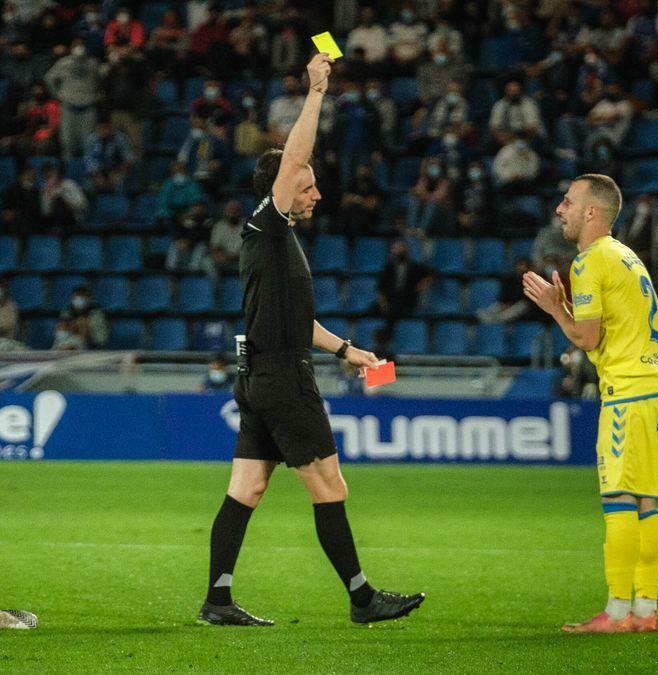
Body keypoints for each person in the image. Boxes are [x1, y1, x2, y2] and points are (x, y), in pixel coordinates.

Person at [199, 54, 424, 629]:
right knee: (331, 486)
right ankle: (362, 598)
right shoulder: (268, 224)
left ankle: (218, 599)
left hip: (259, 378)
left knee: (245, 490)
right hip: (282, 381)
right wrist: (317, 91)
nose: (317, 192)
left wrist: (350, 352)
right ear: (281, 187)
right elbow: (295, 155)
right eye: (308, 184)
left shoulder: (279, 241)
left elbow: (298, 323)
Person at [522, 174, 658, 634]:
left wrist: (556, 307)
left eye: (568, 201)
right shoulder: (627, 256)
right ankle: (645, 609)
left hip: (631, 395)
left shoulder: (590, 260)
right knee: (647, 503)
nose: (560, 209)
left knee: (618, 499)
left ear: (591, 211)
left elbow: (587, 339)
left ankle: (616, 614)